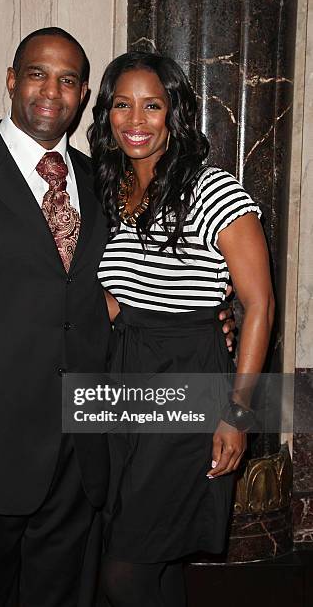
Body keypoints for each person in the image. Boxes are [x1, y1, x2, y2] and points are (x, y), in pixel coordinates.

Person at [0, 28, 235, 606]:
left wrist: (211, 317)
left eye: (68, 80)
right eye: (37, 74)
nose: (51, 91)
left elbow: (137, 279)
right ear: (11, 80)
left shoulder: (106, 182)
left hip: (85, 458)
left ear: (81, 97)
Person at [88, 51, 274, 607]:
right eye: (123, 105)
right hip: (124, 372)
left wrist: (236, 415)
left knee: (124, 570)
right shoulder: (111, 190)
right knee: (158, 557)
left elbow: (259, 305)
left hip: (189, 375)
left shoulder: (213, 189)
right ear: (107, 113)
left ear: (175, 114)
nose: (136, 120)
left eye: (152, 105)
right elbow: (117, 299)